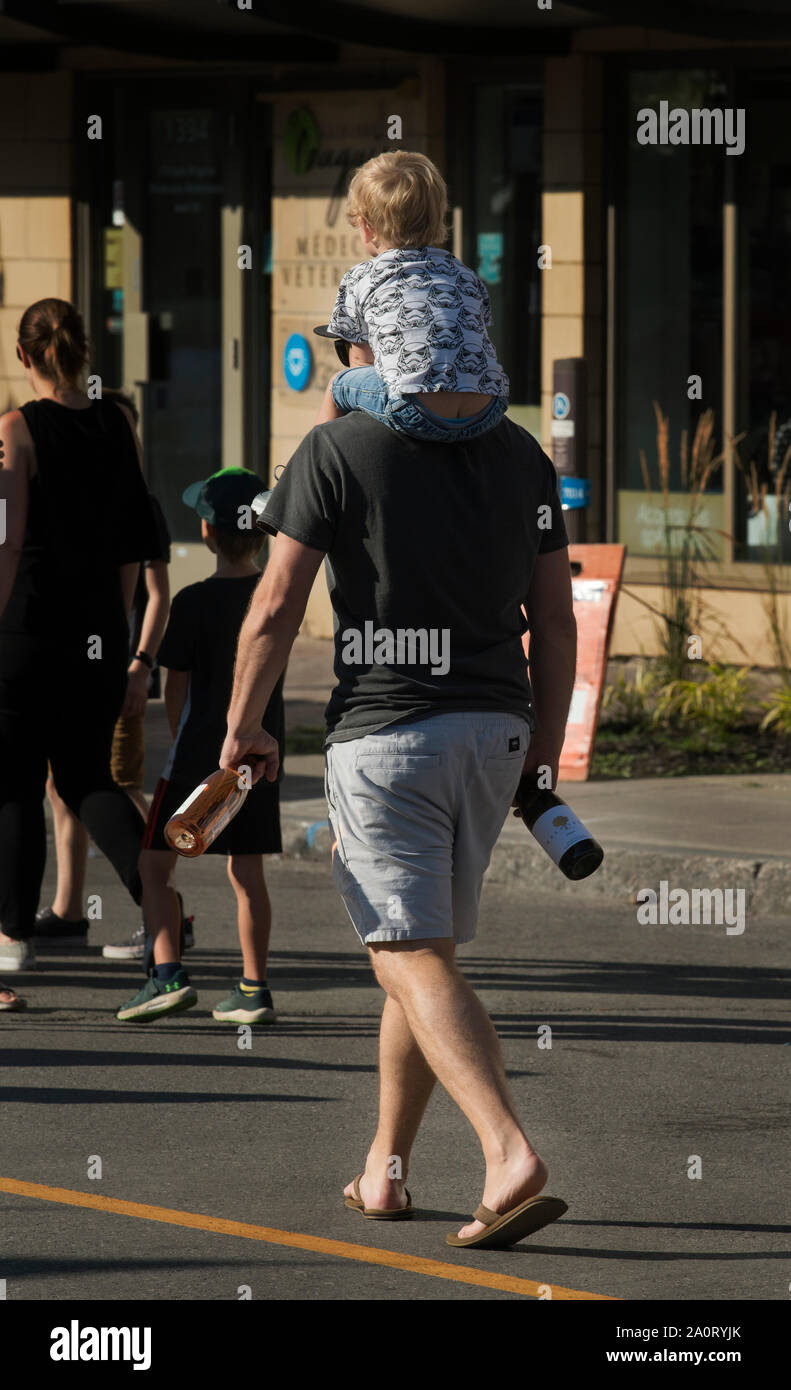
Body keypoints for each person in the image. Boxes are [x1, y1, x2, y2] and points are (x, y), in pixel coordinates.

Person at [219, 382, 577, 1250]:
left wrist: (241, 728)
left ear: (361, 349)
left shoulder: (337, 448)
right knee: (422, 953)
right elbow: (556, 617)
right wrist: (545, 749)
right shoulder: (520, 451)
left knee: (404, 953)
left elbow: (273, 607)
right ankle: (384, 1169)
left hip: (388, 735)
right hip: (495, 732)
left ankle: (507, 1150)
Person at [0, 298, 159, 975]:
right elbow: (132, 546)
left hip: (28, 632)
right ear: (84, 350)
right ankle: (162, 911)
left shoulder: (18, 430)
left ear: (23, 355)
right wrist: (121, 638)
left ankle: (11, 941)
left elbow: (6, 544)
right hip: (97, 638)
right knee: (88, 778)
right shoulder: (118, 422)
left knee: (13, 784)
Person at [115, 468, 285, 1024]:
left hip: (197, 756)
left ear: (208, 533)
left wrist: (182, 742)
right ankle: (253, 987)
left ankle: (167, 975)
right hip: (257, 758)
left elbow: (176, 689)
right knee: (247, 874)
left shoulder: (190, 602)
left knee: (155, 866)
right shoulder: (275, 600)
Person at [33, 391, 178, 955]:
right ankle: (70, 910)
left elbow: (158, 594)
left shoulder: (139, 504)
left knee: (116, 787)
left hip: (117, 668)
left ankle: (163, 909)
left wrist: (140, 665)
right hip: (87, 663)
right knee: (62, 785)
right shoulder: (88, 498)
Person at [316, 150, 509, 444]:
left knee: (337, 385)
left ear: (366, 228)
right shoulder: (465, 273)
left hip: (415, 409)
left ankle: (296, 475)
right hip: (487, 407)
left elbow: (361, 363)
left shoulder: (361, 277)